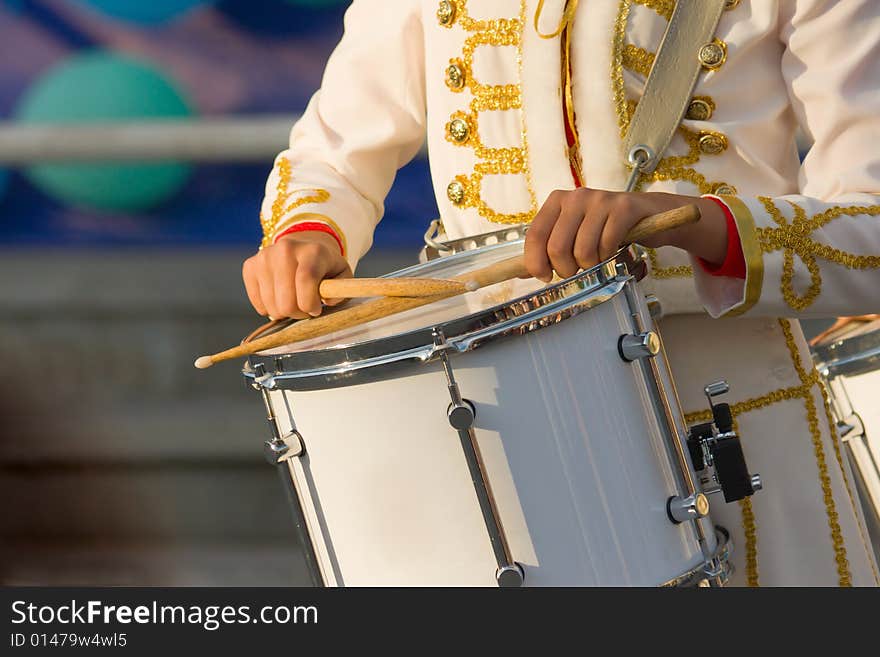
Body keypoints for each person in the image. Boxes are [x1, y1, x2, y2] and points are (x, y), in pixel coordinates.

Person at [242, 0, 880, 586]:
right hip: (505, 435)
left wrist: (691, 221)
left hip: (738, 427)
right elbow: (334, 152)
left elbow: (870, 228)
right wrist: (308, 233)